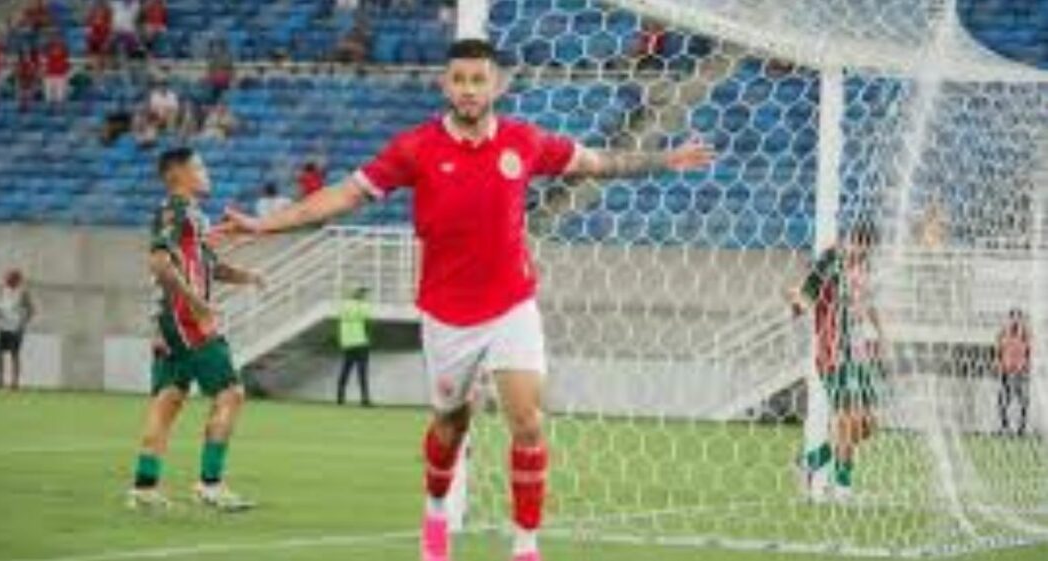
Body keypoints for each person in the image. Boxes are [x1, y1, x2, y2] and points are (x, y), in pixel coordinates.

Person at [218, 38, 713, 561]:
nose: (469, 89)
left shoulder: (524, 141)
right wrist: (266, 224)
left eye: (479, 80)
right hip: (447, 313)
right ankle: (436, 511)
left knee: (528, 421)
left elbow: (596, 161)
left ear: (496, 85)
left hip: (512, 303)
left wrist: (665, 159)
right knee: (450, 425)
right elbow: (344, 194)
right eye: (459, 79)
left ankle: (525, 546)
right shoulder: (415, 148)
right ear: (445, 85)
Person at [126, 147, 264, 511]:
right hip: (184, 319)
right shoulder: (174, 209)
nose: (206, 172)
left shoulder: (193, 217)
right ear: (178, 174)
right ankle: (210, 484)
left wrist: (246, 276)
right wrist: (197, 304)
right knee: (231, 392)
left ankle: (144, 488)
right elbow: (159, 263)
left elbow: (207, 266)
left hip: (170, 321)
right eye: (199, 166)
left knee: (169, 399)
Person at [788, 221, 885, 503]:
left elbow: (865, 302)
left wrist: (882, 333)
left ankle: (809, 462)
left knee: (867, 424)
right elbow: (808, 293)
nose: (861, 252)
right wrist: (798, 304)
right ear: (849, 239)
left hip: (858, 352)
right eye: (858, 244)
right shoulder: (830, 260)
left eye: (866, 248)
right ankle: (842, 488)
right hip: (833, 352)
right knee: (845, 420)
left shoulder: (863, 267)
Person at [0, 269, 36, 391]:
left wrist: (22, 323)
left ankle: (15, 382)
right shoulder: (5, 290)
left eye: (10, 279)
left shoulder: (23, 293)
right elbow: (3, 307)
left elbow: (31, 310)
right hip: (4, 326)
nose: (7, 281)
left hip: (16, 328)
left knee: (14, 354)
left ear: (17, 280)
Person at [336, 287, 372, 406]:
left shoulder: (343, 306)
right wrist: (368, 338)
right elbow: (367, 320)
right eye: (364, 293)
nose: (365, 296)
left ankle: (340, 397)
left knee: (345, 370)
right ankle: (365, 399)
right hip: (360, 341)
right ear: (360, 294)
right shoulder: (362, 306)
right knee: (362, 372)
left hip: (347, 342)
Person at [997, 309, 1031, 437]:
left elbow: (1029, 353)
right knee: (1003, 401)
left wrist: (1025, 367)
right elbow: (998, 352)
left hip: (1020, 373)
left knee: (1023, 401)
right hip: (1006, 372)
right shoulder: (1003, 333)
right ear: (1009, 319)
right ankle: (1005, 427)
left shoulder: (1025, 334)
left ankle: (1021, 428)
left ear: (1021, 319)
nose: (1015, 320)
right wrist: (1000, 366)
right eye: (1013, 317)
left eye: (1018, 317)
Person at [85, 0, 113, 74]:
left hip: (103, 39)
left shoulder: (107, 17)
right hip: (94, 40)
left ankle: (103, 68)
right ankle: (96, 69)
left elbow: (109, 29)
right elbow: (88, 29)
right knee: (95, 52)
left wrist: (106, 41)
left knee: (104, 49)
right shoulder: (91, 17)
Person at [42, 34, 70, 105]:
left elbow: (66, 50)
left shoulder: (63, 50)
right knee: (48, 97)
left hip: (60, 75)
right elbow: (44, 50)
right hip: (50, 75)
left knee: (60, 97)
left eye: (58, 38)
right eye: (55, 38)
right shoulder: (48, 48)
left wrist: (61, 42)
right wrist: (49, 41)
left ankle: (59, 109)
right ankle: (49, 108)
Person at [14, 47, 39, 111]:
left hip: (29, 80)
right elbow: (17, 73)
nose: (26, 56)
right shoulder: (19, 63)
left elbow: (34, 73)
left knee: (28, 94)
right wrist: (19, 80)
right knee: (22, 94)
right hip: (22, 80)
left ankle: (27, 106)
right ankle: (22, 106)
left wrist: (33, 81)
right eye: (25, 55)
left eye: (27, 55)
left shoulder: (32, 63)